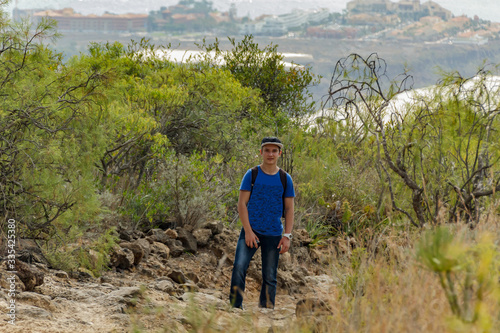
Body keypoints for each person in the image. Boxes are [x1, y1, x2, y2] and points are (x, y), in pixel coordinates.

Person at [229, 137, 295, 309]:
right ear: (261, 152)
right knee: (239, 267)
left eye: (274, 151)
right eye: (267, 150)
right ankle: (235, 308)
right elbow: (242, 204)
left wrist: (287, 236)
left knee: (270, 276)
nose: (270, 154)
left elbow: (289, 209)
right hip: (251, 231)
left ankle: (266, 312)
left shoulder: (285, 178)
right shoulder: (252, 174)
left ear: (279, 153)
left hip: (273, 233)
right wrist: (249, 231)